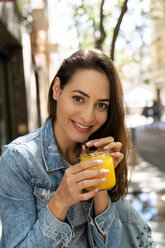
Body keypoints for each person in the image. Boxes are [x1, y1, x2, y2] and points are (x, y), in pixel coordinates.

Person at [0, 49, 155, 247]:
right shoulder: (19, 160)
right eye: (79, 99)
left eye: (101, 105)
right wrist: (61, 200)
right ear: (57, 89)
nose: (88, 117)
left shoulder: (97, 151)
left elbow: (111, 243)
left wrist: (100, 184)